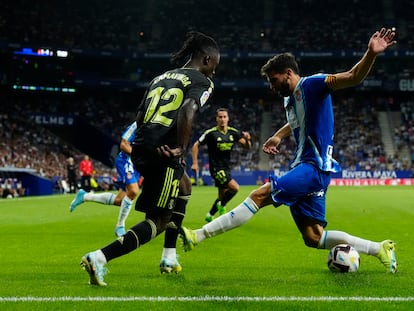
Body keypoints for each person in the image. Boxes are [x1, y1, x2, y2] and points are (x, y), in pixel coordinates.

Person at [180, 27, 398, 273]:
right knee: (314, 237)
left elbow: (353, 76)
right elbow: (296, 121)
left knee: (260, 195)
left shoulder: (314, 84)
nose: (272, 87)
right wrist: (278, 136)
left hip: (313, 167)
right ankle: (379, 248)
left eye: (274, 80)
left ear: (288, 73)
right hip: (307, 167)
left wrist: (371, 53)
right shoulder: (289, 99)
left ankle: (198, 235)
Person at [80, 31, 220, 286]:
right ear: (208, 59)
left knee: (185, 186)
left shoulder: (161, 77)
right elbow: (189, 109)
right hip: (164, 151)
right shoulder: (202, 81)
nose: (214, 73)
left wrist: (144, 147)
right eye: (215, 67)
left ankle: (169, 255)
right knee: (158, 221)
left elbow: (141, 114)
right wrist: (180, 148)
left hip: (142, 147)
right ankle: (99, 257)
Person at [69, 121, 140, 237]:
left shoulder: (159, 126)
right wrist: (140, 155)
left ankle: (85, 196)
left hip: (138, 166)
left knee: (120, 201)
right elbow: (124, 144)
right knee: (134, 191)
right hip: (128, 160)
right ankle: (120, 226)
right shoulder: (138, 124)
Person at [191, 108, 252, 222]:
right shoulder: (211, 133)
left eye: (224, 117)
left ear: (228, 118)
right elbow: (196, 145)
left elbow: (247, 147)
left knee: (222, 195)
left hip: (227, 167)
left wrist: (248, 139)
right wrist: (195, 163)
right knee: (235, 188)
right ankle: (222, 206)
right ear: (216, 119)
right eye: (220, 117)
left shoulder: (233, 132)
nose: (222, 119)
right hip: (216, 168)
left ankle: (210, 215)